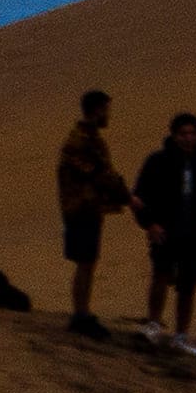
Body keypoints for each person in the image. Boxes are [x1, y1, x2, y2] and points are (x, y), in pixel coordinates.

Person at [131, 113, 196, 356]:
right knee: (161, 276)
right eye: (183, 134)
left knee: (188, 285)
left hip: (195, 235)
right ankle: (153, 325)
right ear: (174, 135)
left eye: (192, 133)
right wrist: (149, 224)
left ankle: (181, 335)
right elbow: (139, 196)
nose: (188, 138)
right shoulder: (158, 161)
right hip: (165, 231)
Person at [57, 90, 132, 341]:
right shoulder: (82, 140)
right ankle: (80, 315)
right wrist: (128, 197)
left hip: (86, 208)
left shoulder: (87, 137)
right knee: (85, 262)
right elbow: (101, 174)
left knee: (87, 262)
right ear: (98, 109)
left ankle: (83, 313)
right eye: (106, 109)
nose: (108, 114)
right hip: (81, 209)